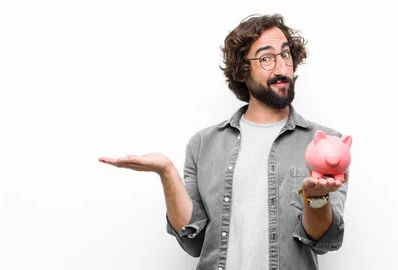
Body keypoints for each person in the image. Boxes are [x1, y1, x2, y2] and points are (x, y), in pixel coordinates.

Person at [99, 13, 350, 270]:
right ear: (242, 71)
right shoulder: (203, 144)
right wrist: (166, 171)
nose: (281, 68)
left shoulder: (328, 145)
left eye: (286, 55)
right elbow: (192, 241)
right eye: (266, 58)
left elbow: (324, 240)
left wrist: (315, 199)